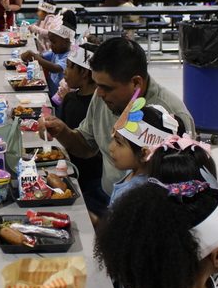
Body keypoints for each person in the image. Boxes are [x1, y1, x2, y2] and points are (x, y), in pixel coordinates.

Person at [38, 37, 195, 201]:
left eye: (105, 87)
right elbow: (87, 146)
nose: (98, 93)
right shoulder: (103, 96)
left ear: (135, 83)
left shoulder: (171, 117)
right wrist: (62, 132)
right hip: (108, 196)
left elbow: (184, 188)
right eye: (97, 84)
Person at [58, 41, 105, 214]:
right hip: (70, 170)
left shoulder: (101, 103)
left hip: (93, 177)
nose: (65, 71)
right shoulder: (70, 98)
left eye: (69, 67)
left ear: (84, 72)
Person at [107, 103, 182, 205]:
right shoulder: (134, 169)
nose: (110, 147)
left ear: (144, 154)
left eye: (119, 143)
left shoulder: (137, 195)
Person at [21, 23, 73, 103]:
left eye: (54, 42)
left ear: (66, 41)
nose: (50, 45)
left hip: (60, 98)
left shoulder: (69, 57)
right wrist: (27, 57)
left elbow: (55, 68)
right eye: (50, 41)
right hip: (51, 93)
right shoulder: (55, 52)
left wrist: (34, 56)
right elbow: (40, 57)